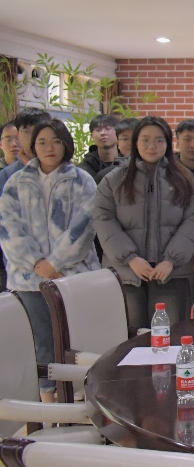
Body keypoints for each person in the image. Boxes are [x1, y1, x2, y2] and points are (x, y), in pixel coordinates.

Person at [0, 119, 100, 397]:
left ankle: (80, 397)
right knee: (41, 342)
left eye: (56, 141)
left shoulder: (82, 180)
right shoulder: (16, 183)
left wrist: (54, 263)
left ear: (65, 144)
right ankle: (48, 400)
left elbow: (84, 227)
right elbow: (8, 228)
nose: (49, 148)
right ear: (33, 146)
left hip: (72, 277)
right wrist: (36, 263)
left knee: (76, 340)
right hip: (29, 280)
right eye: (42, 142)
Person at [93, 116, 194, 329]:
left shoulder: (184, 178)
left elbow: (193, 219)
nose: (152, 146)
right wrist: (130, 258)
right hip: (127, 273)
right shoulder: (114, 180)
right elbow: (103, 218)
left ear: (168, 144)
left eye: (159, 140)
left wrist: (170, 260)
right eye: (145, 140)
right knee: (130, 335)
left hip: (172, 274)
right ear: (136, 142)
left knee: (169, 334)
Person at [0, 108, 51, 193]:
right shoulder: (6, 176)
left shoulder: (65, 171)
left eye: (38, 131)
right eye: (26, 131)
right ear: (18, 135)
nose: (33, 137)